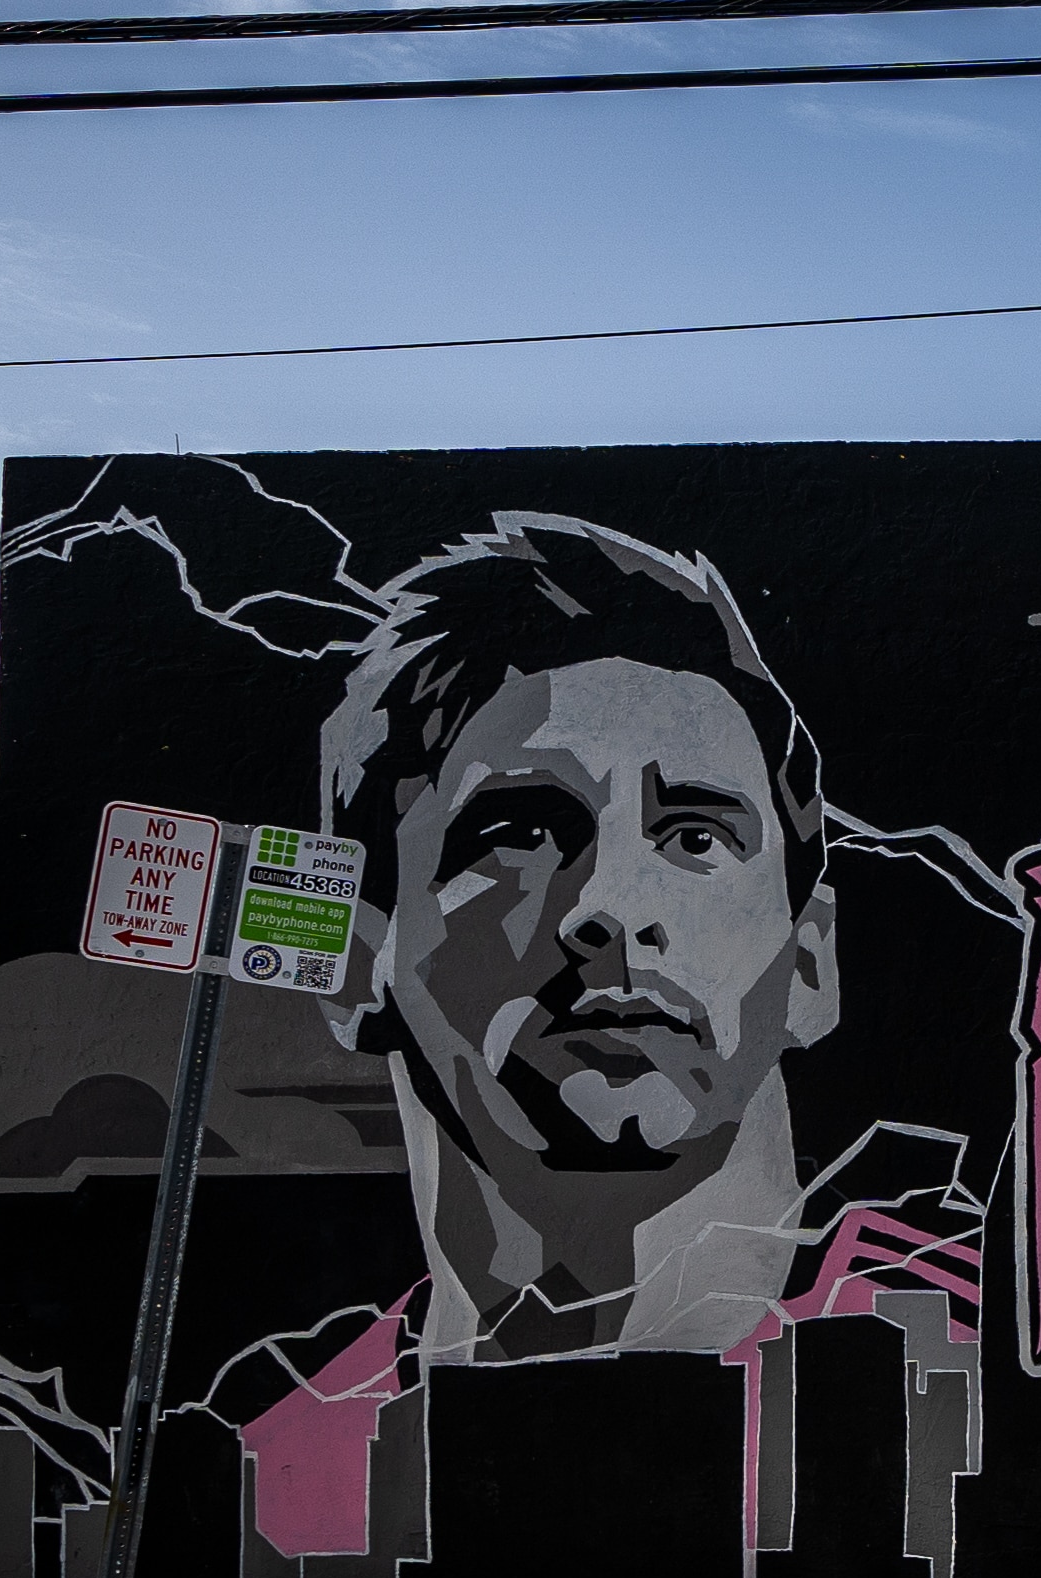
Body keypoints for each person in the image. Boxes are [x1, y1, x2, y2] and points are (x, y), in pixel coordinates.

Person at [318, 514, 846, 1362]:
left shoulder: (958, 1349)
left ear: (811, 962)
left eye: (696, 838)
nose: (608, 906)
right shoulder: (276, 1447)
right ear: (354, 968)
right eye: (519, 833)